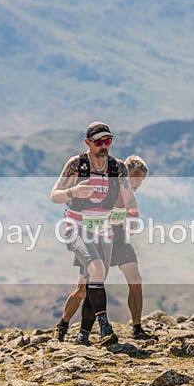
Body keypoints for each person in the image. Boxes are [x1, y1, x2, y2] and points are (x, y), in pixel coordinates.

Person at [50, 121, 137, 346]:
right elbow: (54, 195)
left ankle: (76, 332)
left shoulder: (118, 168)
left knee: (90, 285)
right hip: (76, 228)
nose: (104, 146)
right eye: (98, 142)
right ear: (88, 142)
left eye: (108, 141)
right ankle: (105, 329)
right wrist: (74, 191)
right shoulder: (76, 164)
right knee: (96, 271)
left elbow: (129, 200)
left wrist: (130, 214)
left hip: (104, 231)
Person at [55, 155, 157, 342]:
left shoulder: (128, 194)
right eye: (135, 179)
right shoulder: (108, 187)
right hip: (96, 237)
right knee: (83, 290)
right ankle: (64, 323)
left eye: (141, 181)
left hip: (119, 239)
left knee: (135, 279)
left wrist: (132, 217)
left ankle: (137, 328)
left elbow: (132, 206)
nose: (137, 184)